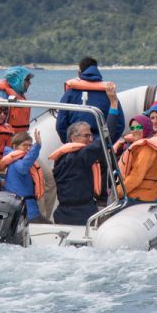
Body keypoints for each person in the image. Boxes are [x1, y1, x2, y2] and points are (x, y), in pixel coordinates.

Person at [50, 82, 121, 225]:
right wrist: (113, 103)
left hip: (64, 213)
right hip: (81, 214)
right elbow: (107, 136)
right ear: (73, 138)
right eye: (87, 136)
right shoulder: (80, 156)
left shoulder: (63, 157)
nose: (91, 139)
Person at [55, 57, 124, 142]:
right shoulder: (109, 94)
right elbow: (119, 124)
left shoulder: (70, 94)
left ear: (79, 73)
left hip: (76, 142)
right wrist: (107, 144)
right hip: (100, 145)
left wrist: (69, 143)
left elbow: (60, 125)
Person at [114, 114, 157, 203]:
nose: (135, 130)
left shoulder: (147, 149)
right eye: (132, 128)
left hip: (143, 196)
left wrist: (118, 192)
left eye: (139, 127)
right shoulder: (139, 146)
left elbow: (136, 176)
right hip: (138, 192)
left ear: (146, 127)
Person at [0, 129, 48, 223]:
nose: (29, 148)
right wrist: (37, 146)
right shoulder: (16, 162)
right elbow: (22, 168)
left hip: (22, 210)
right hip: (25, 213)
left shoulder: (10, 160)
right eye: (25, 145)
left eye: (31, 145)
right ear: (15, 146)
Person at [0, 66, 34, 134]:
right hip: (7, 137)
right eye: (27, 80)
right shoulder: (1, 94)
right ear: (16, 80)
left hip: (18, 136)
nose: (30, 83)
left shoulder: (17, 94)